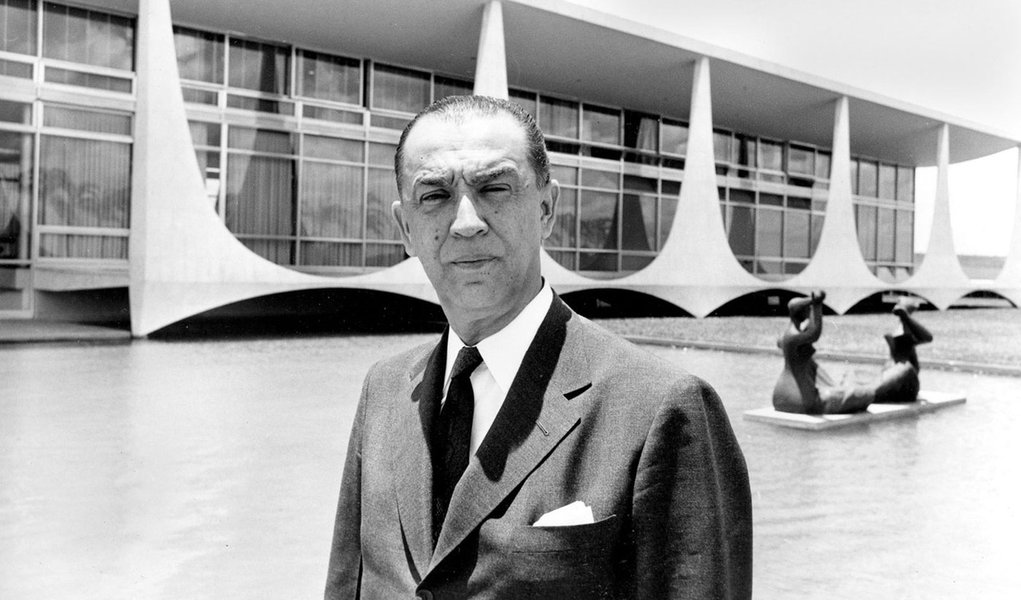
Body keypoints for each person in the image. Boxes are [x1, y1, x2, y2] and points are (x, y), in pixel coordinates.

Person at [324, 96, 752, 599]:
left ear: (547, 208)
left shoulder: (662, 407)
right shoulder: (383, 391)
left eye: (494, 188)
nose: (466, 222)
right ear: (406, 230)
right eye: (435, 195)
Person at [772, 291, 876, 415]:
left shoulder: (786, 336)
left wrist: (813, 303)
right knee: (864, 394)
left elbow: (810, 329)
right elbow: (814, 333)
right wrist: (817, 305)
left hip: (783, 395)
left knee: (850, 391)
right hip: (802, 399)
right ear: (803, 312)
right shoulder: (794, 336)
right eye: (808, 310)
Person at [873, 297, 933, 404]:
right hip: (900, 379)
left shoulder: (904, 330)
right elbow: (928, 337)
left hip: (899, 378)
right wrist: (906, 317)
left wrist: (906, 318)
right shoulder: (903, 332)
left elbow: (927, 337)